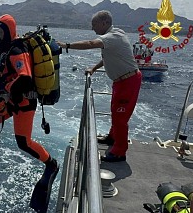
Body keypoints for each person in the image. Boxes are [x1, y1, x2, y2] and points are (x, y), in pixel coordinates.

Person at [0, 14, 59, 177]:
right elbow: (6, 71)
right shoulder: (6, 49)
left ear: (8, 32)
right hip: (10, 99)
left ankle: (51, 164)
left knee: (24, 143)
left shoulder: (16, 50)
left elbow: (25, 79)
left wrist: (2, 87)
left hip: (24, 102)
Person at [58, 10, 142, 162]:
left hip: (128, 82)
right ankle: (112, 137)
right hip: (121, 81)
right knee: (116, 113)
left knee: (120, 117)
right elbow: (111, 57)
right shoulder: (114, 36)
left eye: (94, 24)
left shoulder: (113, 36)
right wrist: (94, 68)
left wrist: (66, 45)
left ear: (104, 23)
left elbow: (91, 44)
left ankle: (119, 152)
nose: (92, 28)